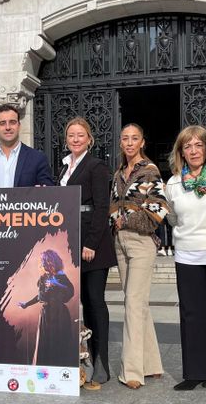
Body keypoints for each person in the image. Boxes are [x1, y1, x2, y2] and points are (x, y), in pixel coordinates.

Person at [163, 124, 206, 391]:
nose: (193, 150)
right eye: (187, 146)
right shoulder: (174, 183)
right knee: (192, 314)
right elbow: (172, 217)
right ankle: (194, 372)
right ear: (181, 152)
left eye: (198, 144)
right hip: (187, 255)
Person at [57, 117, 116, 388]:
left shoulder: (96, 166)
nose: (76, 139)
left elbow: (102, 208)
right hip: (69, 245)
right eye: (72, 135)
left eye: (81, 135)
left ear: (89, 138)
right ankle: (81, 359)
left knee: (94, 302)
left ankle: (101, 364)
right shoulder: (65, 168)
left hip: (93, 246)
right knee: (74, 304)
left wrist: (90, 243)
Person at [109, 123, 169, 389]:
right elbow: (112, 206)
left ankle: (132, 371)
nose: (130, 143)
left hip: (142, 242)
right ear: (121, 143)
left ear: (142, 142)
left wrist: (127, 221)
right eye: (125, 138)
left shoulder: (150, 171)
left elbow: (159, 208)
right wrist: (116, 223)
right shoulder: (119, 173)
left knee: (132, 303)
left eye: (135, 138)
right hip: (120, 243)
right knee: (138, 304)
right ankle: (153, 363)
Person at [0, 104, 54, 188]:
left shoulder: (38, 159)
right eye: (2, 123)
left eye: (12, 122)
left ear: (19, 126)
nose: (8, 127)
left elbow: (48, 192)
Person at [18, 250, 76, 367]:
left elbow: (70, 292)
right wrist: (26, 304)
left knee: (59, 342)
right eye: (44, 261)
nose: (46, 264)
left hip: (60, 314)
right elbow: (40, 297)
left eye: (49, 261)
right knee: (45, 343)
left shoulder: (62, 277)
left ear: (55, 261)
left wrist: (57, 284)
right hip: (46, 314)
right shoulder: (43, 278)